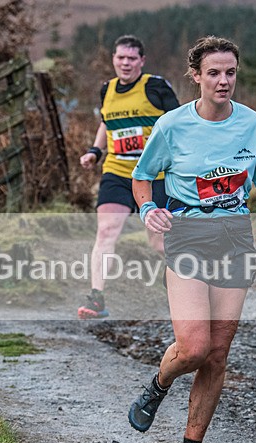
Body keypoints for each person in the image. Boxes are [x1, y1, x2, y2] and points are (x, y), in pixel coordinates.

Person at [126, 36, 256, 443]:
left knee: (218, 355)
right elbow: (142, 177)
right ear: (197, 77)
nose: (224, 81)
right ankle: (158, 385)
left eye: (230, 73)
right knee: (194, 347)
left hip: (233, 236)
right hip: (186, 233)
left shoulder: (253, 124)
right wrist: (149, 210)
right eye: (214, 73)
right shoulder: (172, 126)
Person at [78, 34, 180, 319]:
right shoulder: (106, 90)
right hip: (118, 172)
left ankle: (184, 280)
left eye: (131, 58)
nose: (125, 63)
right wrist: (95, 151)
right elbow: (106, 124)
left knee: (159, 242)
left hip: (154, 176)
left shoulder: (156, 87)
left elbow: (179, 123)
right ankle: (96, 298)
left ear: (141, 61)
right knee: (106, 231)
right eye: (120, 57)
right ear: (113, 59)